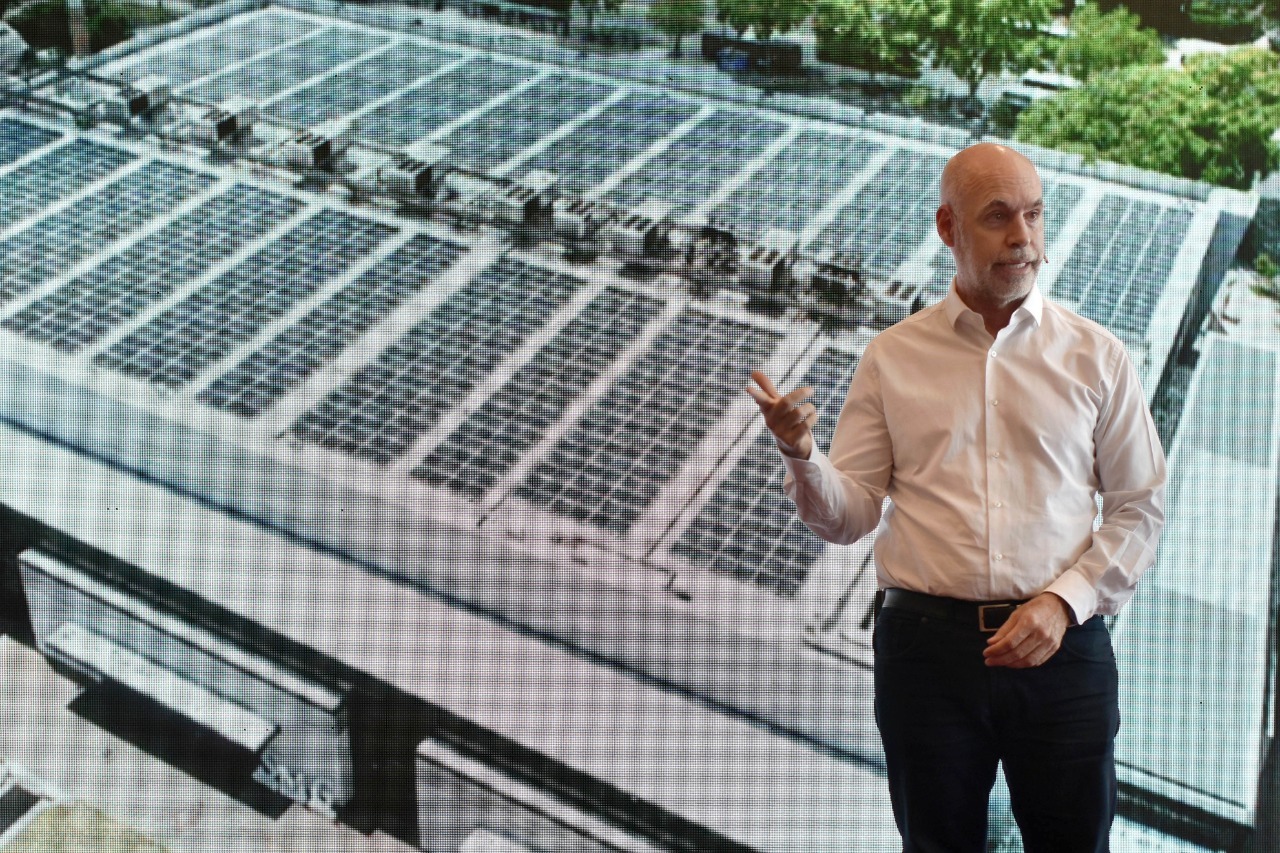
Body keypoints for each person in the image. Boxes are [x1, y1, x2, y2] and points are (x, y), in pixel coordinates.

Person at [747, 142, 1166, 852]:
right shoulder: (892, 356)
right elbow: (848, 517)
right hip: (926, 657)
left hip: (1063, 649)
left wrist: (1064, 601)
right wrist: (801, 453)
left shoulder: (1099, 356)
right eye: (998, 216)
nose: (1023, 238)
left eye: (1034, 215)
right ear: (948, 228)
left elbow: (1139, 508)